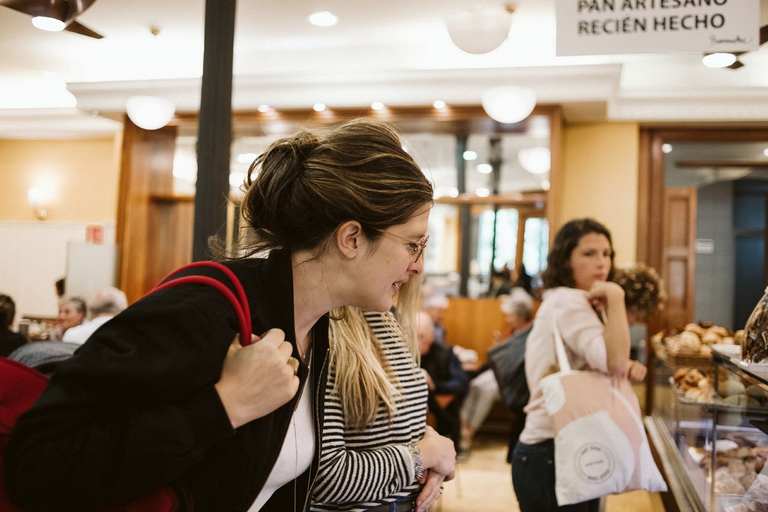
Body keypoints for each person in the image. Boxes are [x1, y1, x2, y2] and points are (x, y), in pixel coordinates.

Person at [5, 118, 435, 512]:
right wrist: (225, 405)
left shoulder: (318, 326)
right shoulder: (202, 313)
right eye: (413, 244)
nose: (417, 265)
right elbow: (37, 465)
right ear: (352, 238)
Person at [511, 218, 647, 512]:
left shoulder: (567, 300)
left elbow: (606, 359)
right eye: (589, 254)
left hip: (554, 449)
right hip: (553, 452)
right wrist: (616, 295)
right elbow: (616, 363)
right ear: (566, 259)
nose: (601, 263)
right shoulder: (571, 302)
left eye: (607, 254)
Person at [311, 279, 456, 512]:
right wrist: (427, 455)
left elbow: (399, 429)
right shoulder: (327, 331)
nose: (417, 266)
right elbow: (326, 480)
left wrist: (436, 456)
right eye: (411, 245)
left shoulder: (387, 317)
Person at [460, 288, 534, 457]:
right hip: (504, 372)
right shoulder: (516, 332)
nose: (507, 320)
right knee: (475, 384)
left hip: (516, 379)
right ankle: (464, 427)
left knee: (486, 390)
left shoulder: (529, 334)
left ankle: (469, 433)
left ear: (521, 317)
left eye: (511, 316)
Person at [418, 310, 469, 453]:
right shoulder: (405, 351)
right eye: (414, 336)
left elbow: (461, 383)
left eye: (422, 336)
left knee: (453, 403)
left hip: (441, 396)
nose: (419, 341)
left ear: (432, 335)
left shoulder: (445, 352)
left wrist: (435, 385)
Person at [62, 286, 128, 344]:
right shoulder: (129, 336)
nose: (62, 316)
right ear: (122, 309)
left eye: (67, 312)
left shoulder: (72, 335)